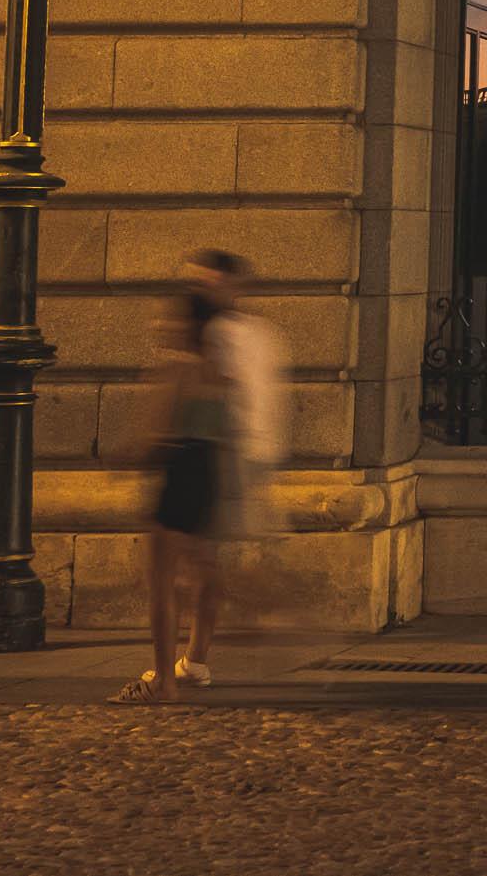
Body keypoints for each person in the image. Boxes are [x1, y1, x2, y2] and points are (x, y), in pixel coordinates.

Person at [169, 248, 285, 691]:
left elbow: (237, 401)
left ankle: (196, 656)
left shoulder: (228, 335)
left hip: (221, 456)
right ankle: (195, 656)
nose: (198, 289)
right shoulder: (242, 332)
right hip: (228, 455)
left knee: (193, 564)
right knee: (198, 561)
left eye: (206, 280)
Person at [114, 288, 231, 705]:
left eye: (171, 319)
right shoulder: (219, 372)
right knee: (198, 573)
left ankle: (164, 679)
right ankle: (190, 662)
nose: (162, 325)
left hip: (179, 474)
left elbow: (157, 433)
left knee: (162, 585)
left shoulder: (177, 371)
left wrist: (129, 459)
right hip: (207, 475)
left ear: (189, 326)